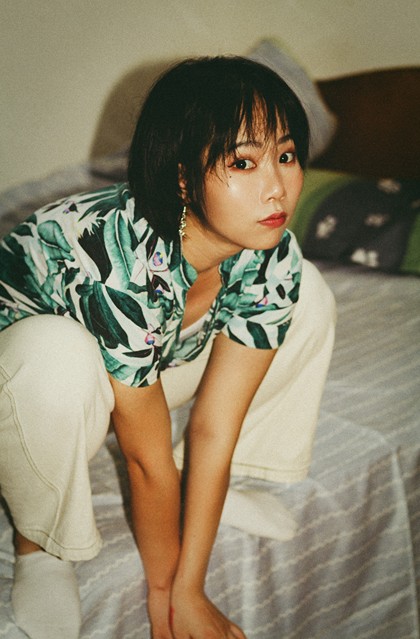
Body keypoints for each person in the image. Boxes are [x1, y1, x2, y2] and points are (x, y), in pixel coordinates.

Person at [0, 56, 336, 639]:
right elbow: (142, 460)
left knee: (307, 289)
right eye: (242, 162)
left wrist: (189, 588)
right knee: (55, 352)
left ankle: (203, 485)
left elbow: (214, 427)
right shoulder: (118, 260)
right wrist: (164, 595)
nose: (277, 187)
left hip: (137, 367)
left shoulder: (270, 250)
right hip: (26, 397)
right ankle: (40, 542)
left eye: (285, 156)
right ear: (182, 178)